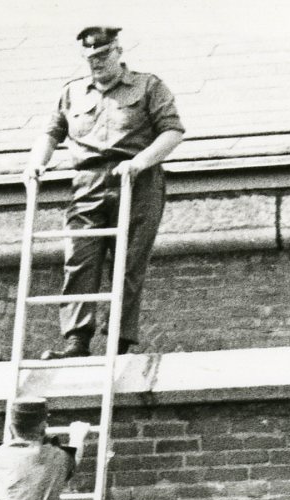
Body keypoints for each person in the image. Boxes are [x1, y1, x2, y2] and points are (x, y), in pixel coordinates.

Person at [25, 26, 185, 359]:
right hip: (88, 181)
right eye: (89, 58)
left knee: (127, 262)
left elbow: (172, 132)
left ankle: (118, 341)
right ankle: (76, 341)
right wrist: (35, 164)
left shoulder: (148, 86)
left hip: (135, 181)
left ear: (118, 51)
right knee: (80, 258)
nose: (95, 63)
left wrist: (139, 163)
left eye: (101, 56)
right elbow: (51, 133)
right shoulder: (72, 93)